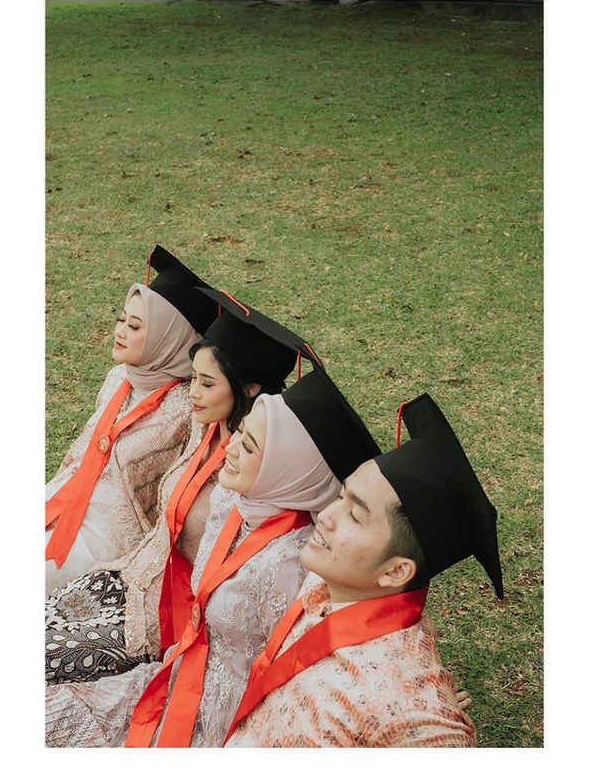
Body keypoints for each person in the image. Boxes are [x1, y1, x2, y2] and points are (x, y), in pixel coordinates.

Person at [45, 366, 380, 747]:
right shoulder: (230, 502)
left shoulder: (295, 561)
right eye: (240, 435)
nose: (230, 449)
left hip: (223, 717)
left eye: (249, 446)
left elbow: (309, 668)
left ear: (287, 469)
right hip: (174, 673)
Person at [46, 288, 315, 683]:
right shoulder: (202, 429)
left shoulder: (252, 472)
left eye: (208, 384)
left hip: (171, 615)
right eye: (193, 379)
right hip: (134, 577)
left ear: (250, 389)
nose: (191, 393)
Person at [223, 392, 502, 747]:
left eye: (355, 515)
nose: (325, 517)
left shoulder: (406, 711)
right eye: (341, 496)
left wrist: (417, 711)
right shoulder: (328, 580)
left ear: (396, 572)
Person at [45, 246, 217, 596]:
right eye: (122, 319)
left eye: (135, 326)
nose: (120, 330)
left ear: (166, 339)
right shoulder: (117, 378)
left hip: (111, 531)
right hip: (65, 496)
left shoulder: (187, 407)